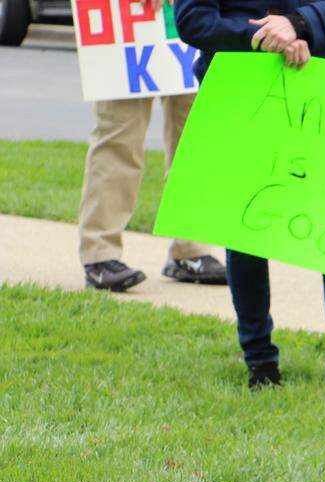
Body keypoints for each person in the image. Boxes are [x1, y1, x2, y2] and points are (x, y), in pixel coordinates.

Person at [174, 0, 325, 390]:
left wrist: (298, 24)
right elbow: (193, 21)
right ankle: (259, 359)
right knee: (247, 226)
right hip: (238, 88)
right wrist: (265, 38)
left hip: (317, 85)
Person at [78, 0, 226, 291]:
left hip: (185, 14)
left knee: (193, 133)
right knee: (119, 133)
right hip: (124, 15)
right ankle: (100, 253)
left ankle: (190, 248)